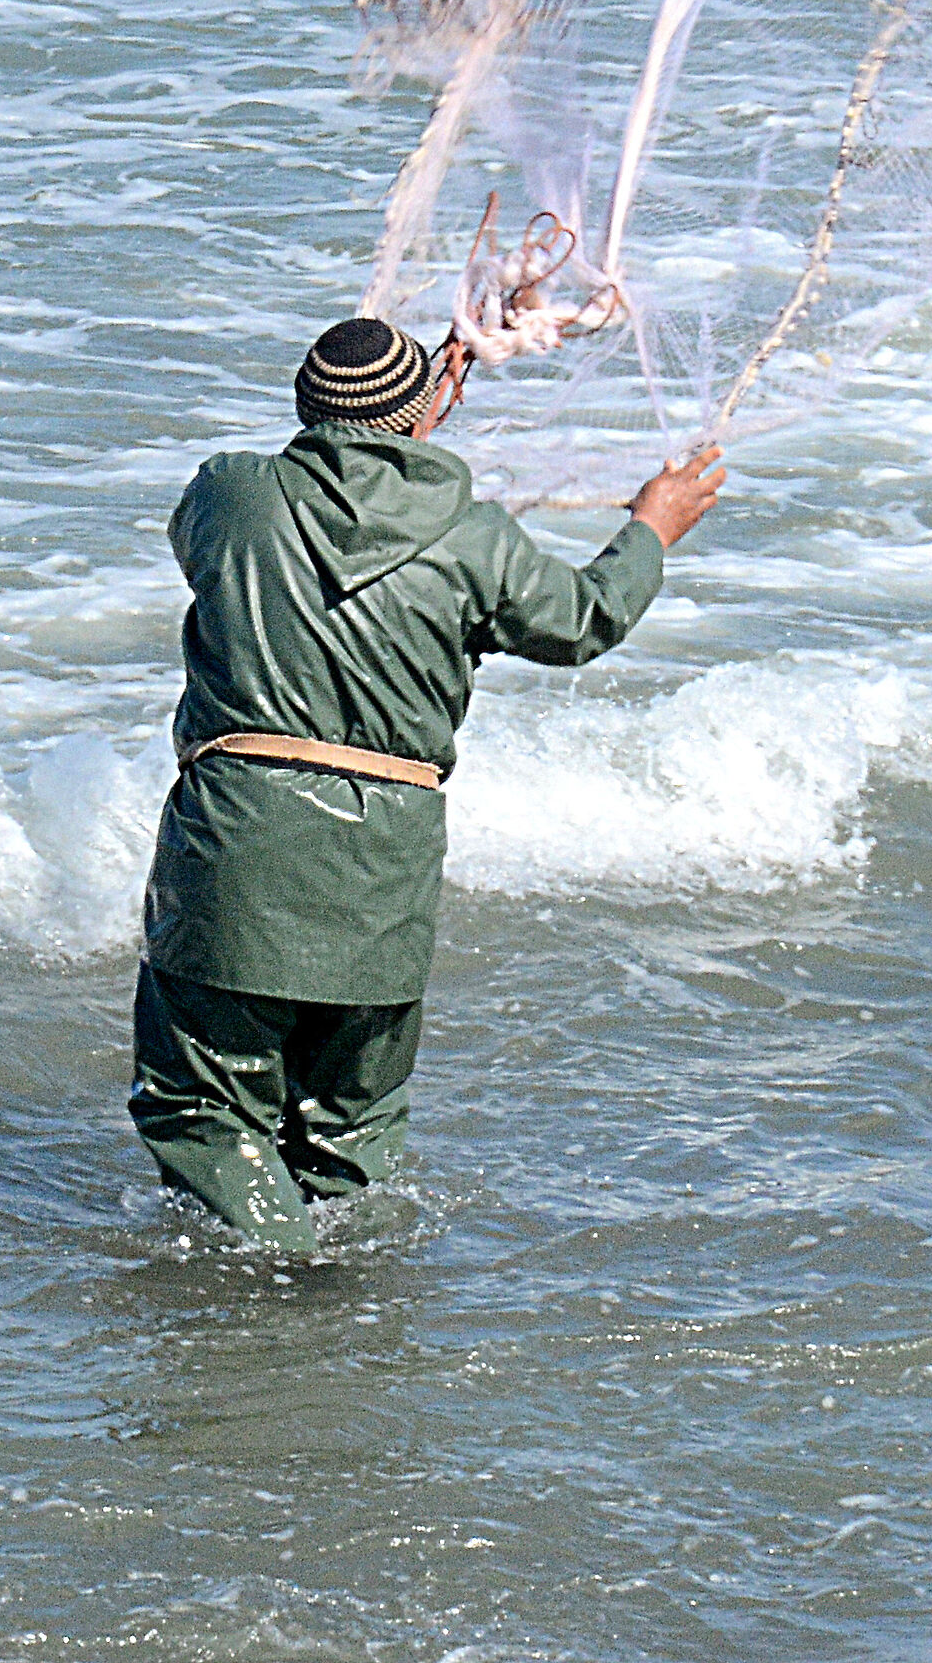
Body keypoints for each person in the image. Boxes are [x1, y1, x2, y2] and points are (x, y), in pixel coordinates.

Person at [129, 314, 723, 1252]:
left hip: (235, 849)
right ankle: (343, 1316)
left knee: (206, 1115)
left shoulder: (230, 495)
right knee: (348, 1129)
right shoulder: (474, 537)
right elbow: (584, 620)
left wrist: (404, 409)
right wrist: (648, 530)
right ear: (426, 415)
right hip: (384, 866)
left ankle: (277, 1304)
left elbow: (259, 508)